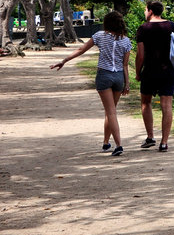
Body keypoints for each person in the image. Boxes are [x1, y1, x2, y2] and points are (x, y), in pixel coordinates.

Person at [50, 11, 132, 156]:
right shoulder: (126, 41)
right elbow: (125, 65)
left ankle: (118, 145)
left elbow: (81, 49)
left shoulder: (99, 36)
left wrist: (64, 60)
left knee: (111, 112)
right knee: (111, 111)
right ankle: (106, 142)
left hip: (104, 75)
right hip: (119, 77)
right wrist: (127, 83)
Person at [135, 0, 174, 152]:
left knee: (145, 102)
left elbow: (141, 55)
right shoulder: (171, 26)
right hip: (168, 70)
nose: (145, 13)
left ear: (150, 11)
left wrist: (138, 72)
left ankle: (150, 136)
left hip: (150, 71)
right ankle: (164, 142)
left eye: (145, 10)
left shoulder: (143, 28)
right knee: (166, 105)